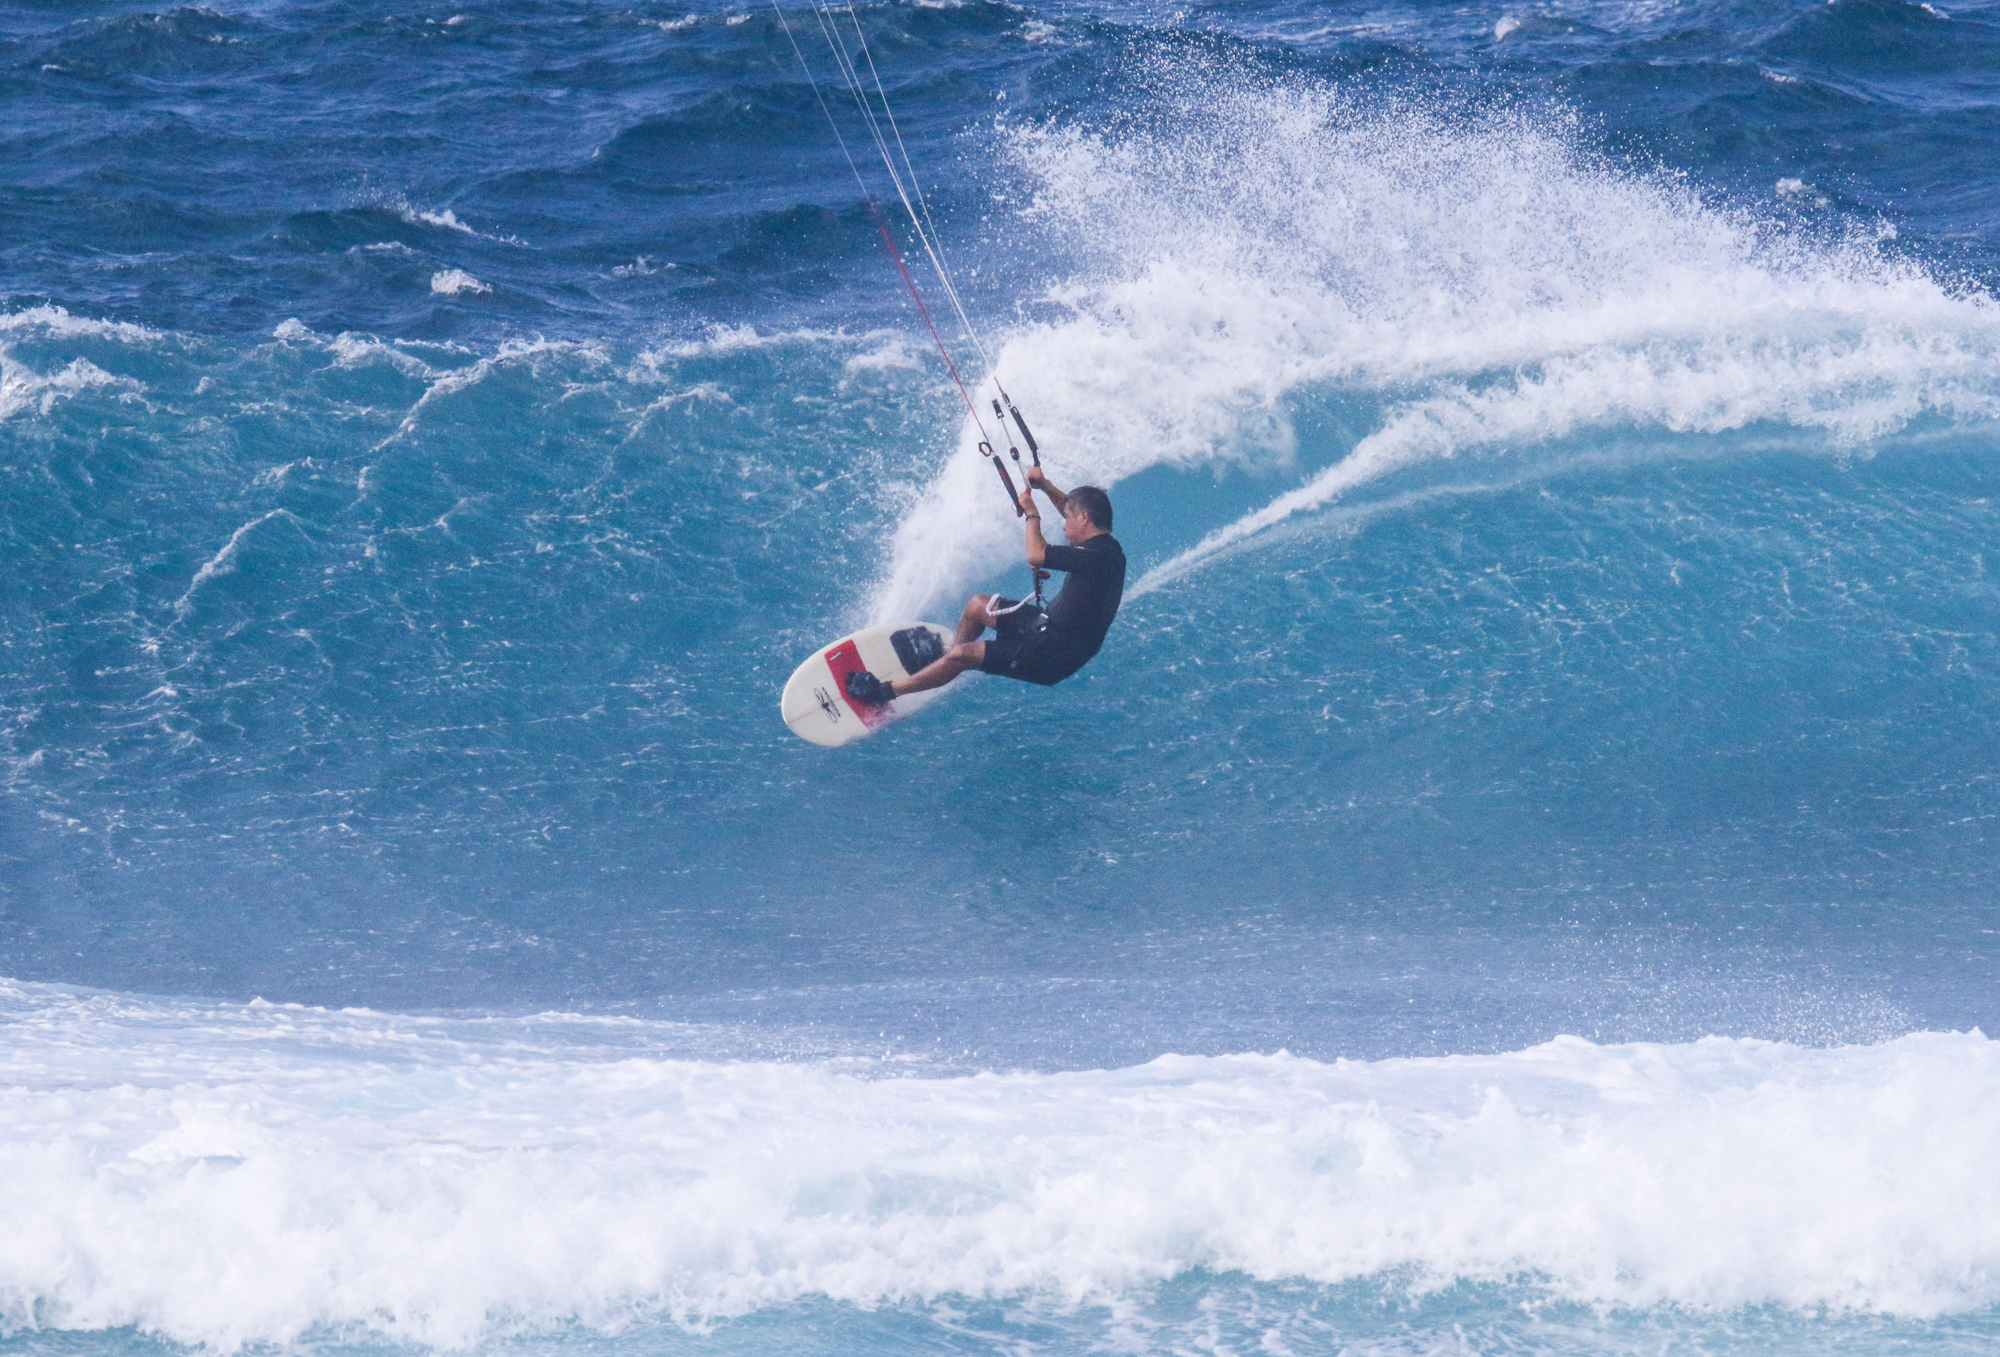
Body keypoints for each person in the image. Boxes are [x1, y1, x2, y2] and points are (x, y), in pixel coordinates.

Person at [844, 467, 1125, 704]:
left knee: (964, 656)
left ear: (1084, 518)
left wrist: (1033, 515)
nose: (1064, 525)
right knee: (977, 606)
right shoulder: (1102, 547)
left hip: (1053, 655)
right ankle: (945, 658)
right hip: (1046, 626)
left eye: (1069, 518)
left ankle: (884, 692)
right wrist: (1045, 485)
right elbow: (1072, 510)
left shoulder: (1098, 558)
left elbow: (1036, 554)